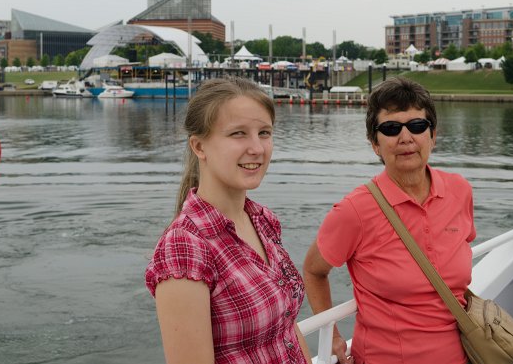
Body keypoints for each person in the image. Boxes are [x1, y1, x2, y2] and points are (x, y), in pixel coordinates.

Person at [303, 77, 476, 364]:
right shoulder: (355, 211)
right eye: (391, 128)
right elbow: (313, 270)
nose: (406, 138)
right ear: (375, 144)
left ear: (433, 135)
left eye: (418, 126)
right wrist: (331, 333)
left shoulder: (459, 191)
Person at [145, 77, 311, 364]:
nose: (257, 148)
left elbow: (286, 327)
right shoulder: (186, 248)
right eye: (238, 134)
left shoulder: (263, 221)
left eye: (264, 133)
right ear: (199, 146)